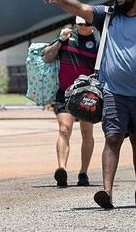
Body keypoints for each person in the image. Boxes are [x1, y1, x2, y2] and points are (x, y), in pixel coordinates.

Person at [42, 0, 136, 209]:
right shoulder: (108, 15)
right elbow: (81, 8)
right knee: (112, 138)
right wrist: (60, 0)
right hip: (113, 91)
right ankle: (107, 192)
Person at [42, 16, 98, 187]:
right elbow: (47, 57)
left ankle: (83, 173)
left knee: (86, 132)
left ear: (93, 26)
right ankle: (62, 169)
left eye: (86, 25)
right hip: (65, 93)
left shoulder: (98, 43)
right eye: (79, 24)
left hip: (87, 95)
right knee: (64, 129)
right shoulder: (66, 37)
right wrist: (59, 40)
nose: (82, 27)